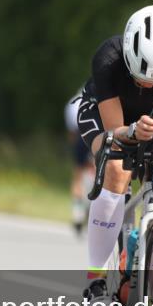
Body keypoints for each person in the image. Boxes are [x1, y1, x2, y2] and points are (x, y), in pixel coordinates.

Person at [74, 5, 153, 306]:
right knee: (116, 167)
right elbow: (116, 131)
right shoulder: (108, 58)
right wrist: (131, 132)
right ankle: (96, 282)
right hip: (107, 116)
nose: (149, 85)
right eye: (141, 77)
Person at [65, 90, 95, 236]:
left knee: (78, 174)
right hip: (96, 133)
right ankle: (91, 208)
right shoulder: (106, 89)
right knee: (97, 172)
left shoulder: (74, 100)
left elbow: (71, 131)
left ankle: (77, 213)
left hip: (79, 135)